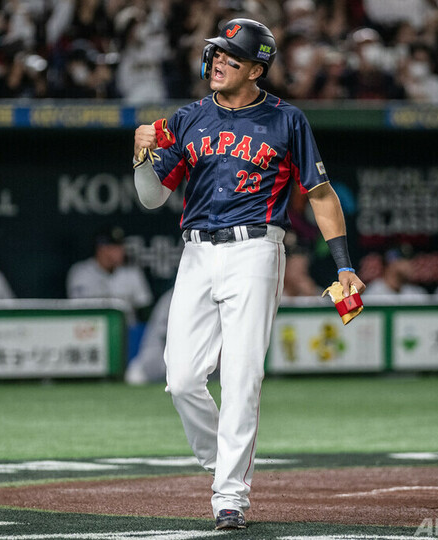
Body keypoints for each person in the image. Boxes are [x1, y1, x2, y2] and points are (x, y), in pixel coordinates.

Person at [132, 18, 365, 530]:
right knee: (181, 378)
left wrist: (344, 264)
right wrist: (140, 156)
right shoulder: (188, 118)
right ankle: (223, 462)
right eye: (216, 53)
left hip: (256, 250)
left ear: (256, 69)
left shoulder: (287, 120)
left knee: (241, 375)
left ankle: (230, 495)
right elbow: (151, 198)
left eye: (230, 57)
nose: (218, 61)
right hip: (196, 252)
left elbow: (320, 194)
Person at [66, 225, 153, 324]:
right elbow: (77, 310)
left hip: (127, 329)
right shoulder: (81, 273)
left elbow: (144, 309)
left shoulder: (132, 273)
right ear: (101, 248)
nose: (122, 251)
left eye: (121, 246)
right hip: (92, 328)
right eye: (116, 247)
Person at [124, 287, 173, 385]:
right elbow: (166, 335)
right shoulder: (173, 296)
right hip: (157, 358)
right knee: (135, 376)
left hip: (187, 362)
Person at [364, 244, 428, 297]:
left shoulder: (416, 293)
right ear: (392, 263)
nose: (410, 264)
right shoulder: (373, 293)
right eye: (405, 260)